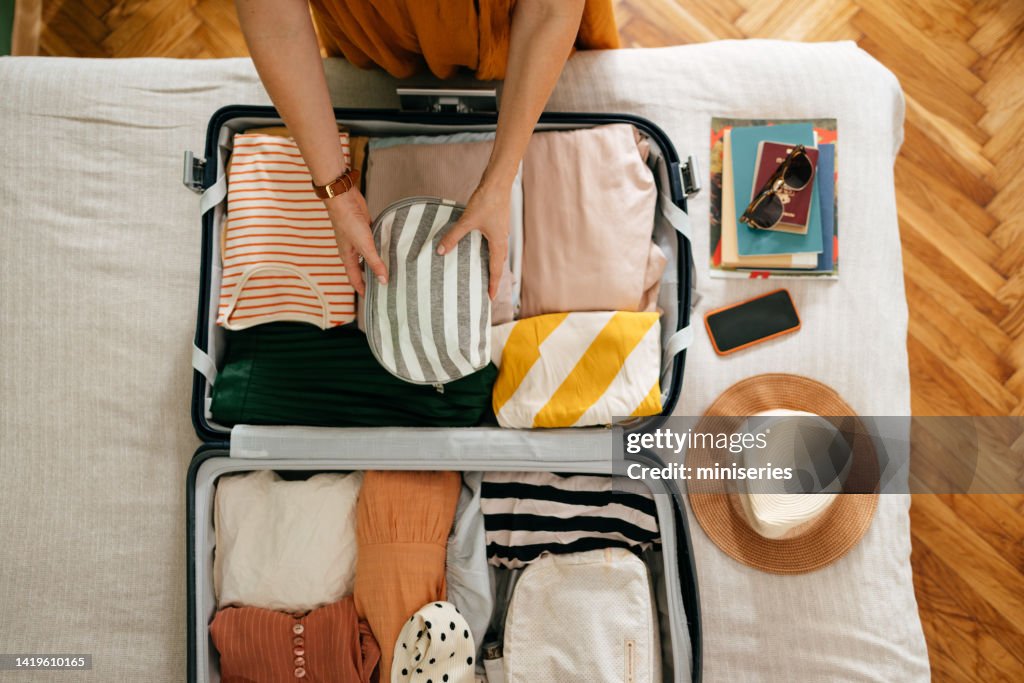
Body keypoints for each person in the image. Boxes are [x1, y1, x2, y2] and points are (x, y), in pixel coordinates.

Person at [235, 0, 618, 299]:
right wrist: (336, 193)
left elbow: (550, 9)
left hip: (519, 30)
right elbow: (275, 22)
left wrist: (501, 179)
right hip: (377, 31)